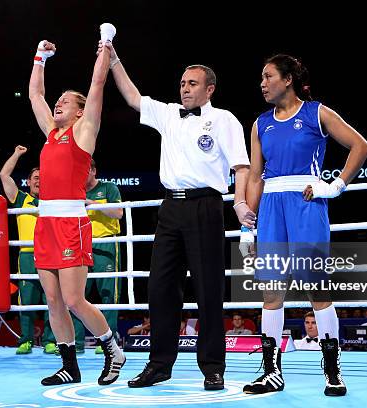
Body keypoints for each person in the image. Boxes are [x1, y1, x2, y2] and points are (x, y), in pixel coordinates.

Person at [101, 40, 254, 391]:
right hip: (170, 207)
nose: (185, 89)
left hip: (207, 206)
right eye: (183, 83)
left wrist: (239, 203)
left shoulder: (223, 119)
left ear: (209, 89)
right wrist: (114, 60)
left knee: (209, 288)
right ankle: (159, 365)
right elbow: (133, 97)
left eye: (192, 83)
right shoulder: (168, 114)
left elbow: (242, 167)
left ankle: (213, 367)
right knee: (160, 288)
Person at [241, 54, 367, 396]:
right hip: (270, 206)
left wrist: (336, 185)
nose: (262, 83)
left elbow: (360, 146)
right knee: (271, 292)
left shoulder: (317, 112)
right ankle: (271, 372)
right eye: (261, 77)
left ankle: (332, 370)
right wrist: (246, 225)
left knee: (317, 287)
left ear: (287, 80)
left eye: (268, 76)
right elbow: (255, 176)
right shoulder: (260, 124)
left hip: (307, 203)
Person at [28, 27, 125, 387]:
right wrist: (40, 57)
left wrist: (105, 44)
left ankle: (113, 350)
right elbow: (35, 94)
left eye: (66, 101)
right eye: (60, 101)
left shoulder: (84, 132)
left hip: (71, 220)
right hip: (45, 223)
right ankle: (69, 365)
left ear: (81, 111)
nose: (58, 104)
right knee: (53, 300)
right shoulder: (51, 133)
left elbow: (98, 86)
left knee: (73, 299)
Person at [0, 146, 57, 355]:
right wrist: (16, 153)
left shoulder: (53, 202)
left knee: (51, 299)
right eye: (35, 177)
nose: (39, 180)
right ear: (29, 181)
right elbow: (4, 175)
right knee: (27, 299)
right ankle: (26, 340)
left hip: (50, 254)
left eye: (43, 177)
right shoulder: (21, 198)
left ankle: (51, 341)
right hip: (26, 255)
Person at [74, 158, 123, 354]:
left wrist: (91, 203)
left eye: (85, 170)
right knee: (76, 295)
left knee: (108, 294)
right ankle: (76, 344)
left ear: (93, 171)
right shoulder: (74, 190)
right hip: (79, 243)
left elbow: (118, 213)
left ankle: (108, 343)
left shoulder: (109, 188)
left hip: (105, 243)